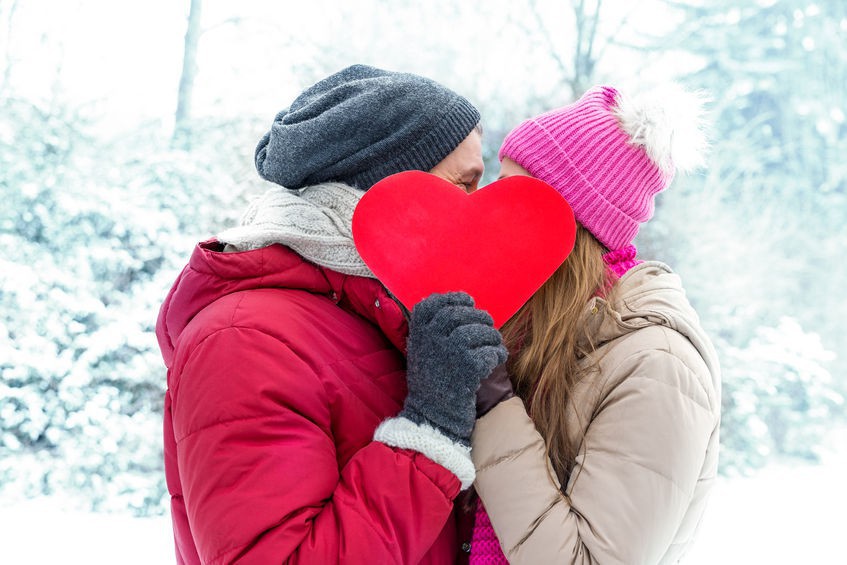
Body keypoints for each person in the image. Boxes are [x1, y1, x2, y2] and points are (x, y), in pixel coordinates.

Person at [156, 64, 506, 564]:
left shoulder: (386, 314)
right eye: (463, 184)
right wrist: (430, 432)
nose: (477, 210)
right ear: (386, 188)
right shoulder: (243, 340)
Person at [467, 85, 721, 564]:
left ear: (572, 227)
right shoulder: (533, 330)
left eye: (517, 191)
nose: (492, 206)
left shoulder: (658, 368)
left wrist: (494, 405)